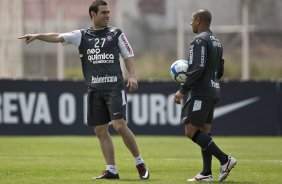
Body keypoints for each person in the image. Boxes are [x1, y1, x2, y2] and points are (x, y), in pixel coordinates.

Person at [18, 0, 149, 180]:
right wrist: (37, 35)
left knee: (119, 126)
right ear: (93, 14)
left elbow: (128, 55)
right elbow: (57, 36)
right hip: (94, 90)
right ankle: (111, 169)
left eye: (108, 12)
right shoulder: (81, 35)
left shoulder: (116, 33)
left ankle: (139, 162)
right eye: (103, 12)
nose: (107, 15)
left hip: (114, 88)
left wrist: (133, 75)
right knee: (100, 131)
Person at [174, 9, 237, 182]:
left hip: (201, 92)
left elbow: (197, 68)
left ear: (200, 20)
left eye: (192, 19)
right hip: (214, 90)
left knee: (190, 130)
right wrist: (211, 81)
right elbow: (220, 70)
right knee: (204, 132)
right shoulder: (217, 42)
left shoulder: (199, 41)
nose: (191, 23)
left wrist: (182, 89)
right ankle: (206, 173)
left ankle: (225, 160)